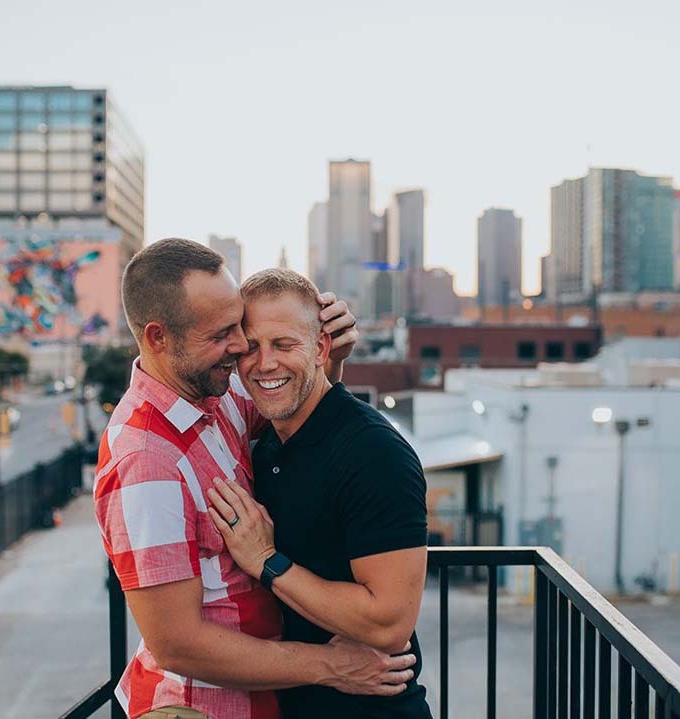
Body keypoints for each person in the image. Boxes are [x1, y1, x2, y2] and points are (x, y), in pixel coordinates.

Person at [93, 239, 417, 719]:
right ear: (159, 338)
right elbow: (178, 645)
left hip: (266, 699)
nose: (241, 347)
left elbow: (296, 410)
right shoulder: (145, 459)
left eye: (237, 325)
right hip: (199, 708)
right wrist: (330, 665)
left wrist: (322, 353)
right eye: (222, 333)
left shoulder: (214, 395)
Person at [206, 268, 432, 718]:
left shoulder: (373, 452)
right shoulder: (271, 440)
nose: (264, 363)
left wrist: (267, 562)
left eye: (285, 344)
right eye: (250, 347)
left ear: (320, 348)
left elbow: (389, 622)